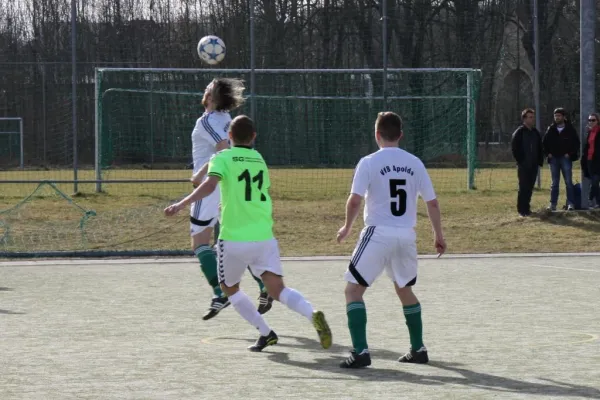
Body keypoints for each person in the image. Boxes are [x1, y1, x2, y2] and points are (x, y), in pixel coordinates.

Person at [165, 115, 332, 352]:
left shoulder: (222, 157)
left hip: (234, 237)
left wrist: (182, 203)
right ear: (254, 137)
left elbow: (210, 185)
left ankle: (266, 333)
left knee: (229, 288)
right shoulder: (259, 159)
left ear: (229, 137)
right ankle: (311, 313)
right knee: (278, 289)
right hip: (264, 236)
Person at [336, 112, 446, 369]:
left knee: (353, 290)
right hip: (406, 235)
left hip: (378, 233)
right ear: (401, 135)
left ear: (377, 135)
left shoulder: (368, 162)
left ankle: (361, 352)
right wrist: (438, 235)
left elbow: (355, 200)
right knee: (404, 289)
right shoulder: (415, 163)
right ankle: (418, 348)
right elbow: (432, 202)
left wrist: (347, 227)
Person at [187, 78, 271, 321]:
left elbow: (223, 150)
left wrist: (199, 174)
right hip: (230, 187)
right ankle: (264, 286)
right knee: (235, 244)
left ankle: (219, 292)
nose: (204, 89)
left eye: (208, 88)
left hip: (211, 186)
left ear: (213, 97)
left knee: (200, 242)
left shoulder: (208, 121)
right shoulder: (228, 121)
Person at [542, 108, 579, 211]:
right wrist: (547, 153)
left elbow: (576, 144)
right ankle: (553, 204)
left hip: (565, 158)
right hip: (553, 159)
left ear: (563, 116)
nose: (557, 117)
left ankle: (571, 203)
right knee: (555, 183)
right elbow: (544, 143)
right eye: (555, 116)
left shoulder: (570, 129)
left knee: (568, 181)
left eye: (559, 115)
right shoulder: (551, 129)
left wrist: (570, 154)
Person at [511, 108, 544, 217]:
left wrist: (539, 161)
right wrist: (521, 160)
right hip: (523, 165)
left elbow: (540, 147)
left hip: (534, 165)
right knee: (523, 187)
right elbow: (514, 148)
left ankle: (527, 209)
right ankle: (521, 210)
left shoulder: (535, 132)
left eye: (533, 117)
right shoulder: (519, 132)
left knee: (530, 187)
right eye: (530, 117)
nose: (532, 119)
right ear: (524, 119)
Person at [582, 112, 600, 208]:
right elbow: (587, 147)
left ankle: (590, 198)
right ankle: (597, 203)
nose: (591, 122)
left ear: (597, 121)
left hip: (597, 160)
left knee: (595, 180)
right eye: (590, 120)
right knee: (594, 181)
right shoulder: (589, 132)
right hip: (590, 160)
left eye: (593, 120)